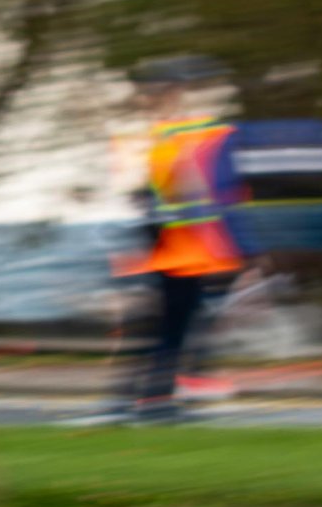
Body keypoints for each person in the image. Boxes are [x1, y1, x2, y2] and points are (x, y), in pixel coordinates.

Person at [91, 56, 247, 426]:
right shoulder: (176, 135)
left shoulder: (156, 134)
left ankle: (133, 398)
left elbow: (146, 194)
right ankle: (152, 400)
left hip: (171, 245)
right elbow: (191, 194)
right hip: (181, 249)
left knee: (165, 324)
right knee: (173, 325)